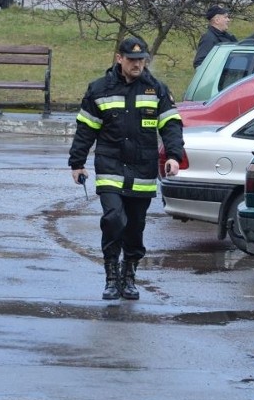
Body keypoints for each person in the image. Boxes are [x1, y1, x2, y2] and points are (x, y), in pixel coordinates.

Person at [68, 36, 184, 301]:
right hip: (110, 165)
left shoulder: (157, 89)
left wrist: (174, 156)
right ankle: (111, 276)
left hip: (142, 169)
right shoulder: (99, 89)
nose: (137, 64)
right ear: (119, 58)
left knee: (135, 226)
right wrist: (77, 163)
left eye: (141, 59)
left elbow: (171, 125)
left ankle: (129, 276)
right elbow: (85, 130)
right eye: (132, 59)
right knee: (113, 219)